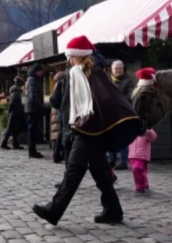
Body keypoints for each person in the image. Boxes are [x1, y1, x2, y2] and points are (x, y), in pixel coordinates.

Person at [33, 36, 142, 226]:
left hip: (87, 130)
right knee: (100, 173)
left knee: (74, 171)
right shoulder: (84, 72)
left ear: (78, 56)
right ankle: (113, 211)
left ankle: (54, 210)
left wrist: (91, 119)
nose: (69, 60)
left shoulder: (89, 73)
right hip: (88, 130)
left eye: (71, 56)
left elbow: (107, 99)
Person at [107, 60, 135, 170]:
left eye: (120, 68)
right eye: (116, 68)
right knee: (111, 137)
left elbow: (131, 95)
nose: (118, 70)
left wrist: (118, 99)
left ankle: (123, 161)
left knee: (123, 137)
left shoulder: (128, 80)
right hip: (110, 112)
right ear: (112, 70)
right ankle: (111, 160)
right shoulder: (107, 80)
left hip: (123, 112)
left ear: (123, 70)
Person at [24, 63, 46, 159]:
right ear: (38, 71)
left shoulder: (32, 79)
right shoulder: (32, 80)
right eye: (41, 71)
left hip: (32, 107)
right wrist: (40, 105)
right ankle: (32, 151)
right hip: (33, 108)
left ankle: (32, 151)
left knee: (32, 130)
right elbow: (33, 95)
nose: (42, 73)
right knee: (32, 130)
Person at [49, 69, 69, 163]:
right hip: (62, 111)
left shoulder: (56, 85)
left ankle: (56, 155)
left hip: (58, 111)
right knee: (62, 134)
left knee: (60, 134)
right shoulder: (62, 85)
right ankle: (60, 155)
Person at [1, 80, 26, 150]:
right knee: (10, 129)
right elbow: (12, 103)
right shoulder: (16, 92)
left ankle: (15, 144)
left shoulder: (15, 91)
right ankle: (4, 143)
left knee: (15, 129)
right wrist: (9, 110)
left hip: (15, 112)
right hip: (15, 113)